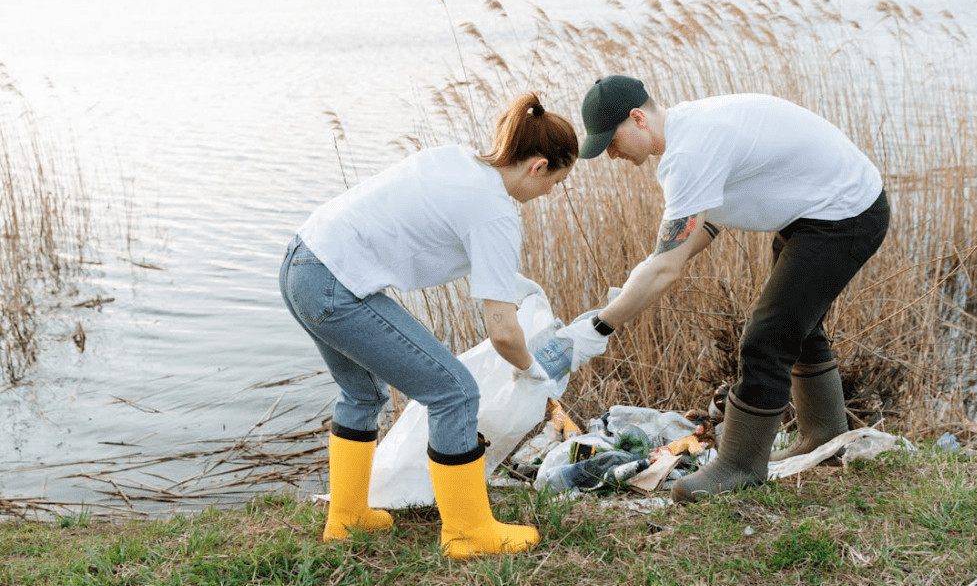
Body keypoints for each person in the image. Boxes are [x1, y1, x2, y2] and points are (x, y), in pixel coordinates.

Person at [557, 75, 889, 502]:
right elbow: (701, 228)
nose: (612, 154)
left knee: (767, 337)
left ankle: (740, 465)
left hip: (844, 214)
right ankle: (825, 436)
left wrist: (600, 327)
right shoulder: (693, 129)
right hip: (816, 212)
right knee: (794, 325)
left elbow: (666, 268)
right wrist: (645, 274)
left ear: (637, 119)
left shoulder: (688, 152)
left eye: (611, 142)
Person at [279, 93, 577, 558]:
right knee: (455, 393)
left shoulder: (456, 160)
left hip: (302, 262)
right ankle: (468, 533)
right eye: (556, 182)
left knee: (362, 394)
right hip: (336, 284)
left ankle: (347, 517)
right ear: (537, 166)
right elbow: (501, 329)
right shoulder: (496, 211)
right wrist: (533, 370)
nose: (550, 193)